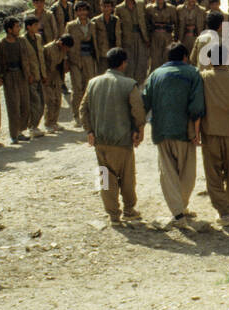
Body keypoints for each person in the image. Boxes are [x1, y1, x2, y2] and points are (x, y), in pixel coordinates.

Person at [79, 48, 145, 225]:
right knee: (127, 178)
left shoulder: (93, 83)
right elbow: (138, 111)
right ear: (123, 63)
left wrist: (89, 131)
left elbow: (82, 109)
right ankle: (129, 210)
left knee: (105, 178)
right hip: (122, 141)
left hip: (100, 141)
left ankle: (113, 215)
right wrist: (139, 131)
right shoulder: (129, 84)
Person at [142, 43, 206, 226]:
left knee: (168, 172)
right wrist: (196, 131)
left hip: (161, 130)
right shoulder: (193, 73)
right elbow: (197, 106)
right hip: (185, 131)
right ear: (185, 57)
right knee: (187, 172)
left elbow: (144, 102)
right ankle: (181, 208)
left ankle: (178, 212)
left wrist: (138, 129)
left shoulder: (155, 74)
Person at [198, 45, 229, 223]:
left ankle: (222, 210)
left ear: (210, 60)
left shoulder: (203, 78)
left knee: (213, 171)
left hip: (210, 131)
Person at [0, 17, 37, 144]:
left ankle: (21, 130)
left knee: (25, 104)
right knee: (13, 106)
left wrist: (30, 73)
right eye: (16, 27)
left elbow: (27, 58)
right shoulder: (1, 44)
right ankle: (14, 134)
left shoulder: (21, 41)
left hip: (22, 75)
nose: (19, 29)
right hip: (9, 76)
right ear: (9, 30)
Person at [66, 1, 98, 114]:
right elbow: (66, 43)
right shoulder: (71, 26)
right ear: (76, 12)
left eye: (84, 10)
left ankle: (87, 112)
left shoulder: (92, 25)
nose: (82, 12)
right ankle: (76, 113)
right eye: (79, 10)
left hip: (89, 58)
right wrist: (67, 60)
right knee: (77, 87)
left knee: (88, 85)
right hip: (75, 59)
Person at [116, 0, 150, 84]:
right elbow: (118, 28)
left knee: (141, 63)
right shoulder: (119, 8)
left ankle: (139, 86)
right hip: (127, 39)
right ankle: (129, 86)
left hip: (141, 37)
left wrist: (147, 38)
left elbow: (146, 21)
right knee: (129, 63)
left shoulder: (141, 4)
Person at [22, 17, 48, 138]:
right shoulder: (22, 40)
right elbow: (24, 60)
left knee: (41, 102)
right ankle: (32, 126)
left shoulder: (38, 38)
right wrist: (29, 75)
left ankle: (35, 125)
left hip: (39, 74)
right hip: (31, 75)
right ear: (29, 27)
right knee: (35, 102)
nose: (38, 26)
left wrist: (44, 74)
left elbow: (40, 57)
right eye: (35, 25)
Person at [43, 35, 73, 131]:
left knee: (57, 100)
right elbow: (42, 64)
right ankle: (48, 123)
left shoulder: (63, 50)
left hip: (56, 76)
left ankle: (54, 122)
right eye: (66, 47)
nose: (66, 50)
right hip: (47, 76)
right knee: (50, 100)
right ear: (61, 43)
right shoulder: (48, 49)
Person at [145, 0, 178, 73]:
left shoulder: (171, 8)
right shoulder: (149, 8)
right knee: (154, 60)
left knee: (167, 59)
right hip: (154, 36)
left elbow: (176, 24)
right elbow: (146, 24)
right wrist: (147, 38)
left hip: (167, 36)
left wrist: (175, 37)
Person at [92, 0, 122, 75]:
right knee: (102, 73)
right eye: (104, 6)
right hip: (102, 52)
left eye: (108, 6)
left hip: (113, 50)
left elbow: (118, 35)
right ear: (100, 7)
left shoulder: (116, 20)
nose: (106, 9)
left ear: (112, 8)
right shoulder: (95, 21)